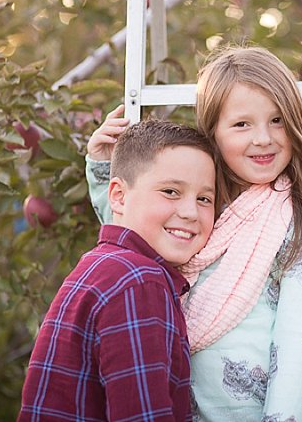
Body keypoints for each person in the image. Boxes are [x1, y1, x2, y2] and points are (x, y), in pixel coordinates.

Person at [85, 46, 302, 420]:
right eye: (242, 125)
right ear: (213, 133)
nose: (263, 139)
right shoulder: (204, 204)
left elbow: (296, 342)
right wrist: (104, 169)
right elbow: (139, 243)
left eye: (277, 121)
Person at [18, 119, 217, 422]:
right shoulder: (139, 282)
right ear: (119, 197)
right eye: (171, 191)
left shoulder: (104, 265)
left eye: (204, 198)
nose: (190, 212)